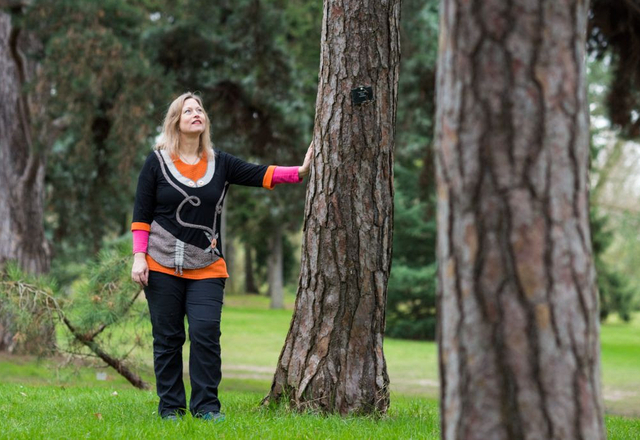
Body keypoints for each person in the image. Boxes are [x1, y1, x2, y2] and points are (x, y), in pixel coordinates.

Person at [130, 92, 312, 421]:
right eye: (188, 110)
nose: (195, 113)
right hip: (160, 264)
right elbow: (141, 215)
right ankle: (171, 408)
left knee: (205, 332)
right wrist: (138, 257)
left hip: (208, 266)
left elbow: (260, 174)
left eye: (199, 109)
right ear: (176, 121)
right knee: (168, 338)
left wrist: (299, 171)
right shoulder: (155, 162)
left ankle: (206, 407)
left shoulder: (221, 162)